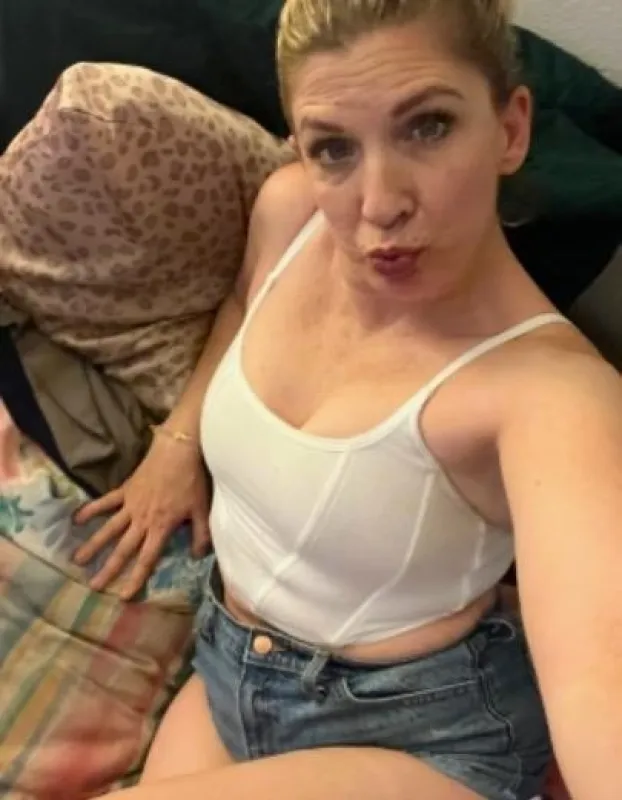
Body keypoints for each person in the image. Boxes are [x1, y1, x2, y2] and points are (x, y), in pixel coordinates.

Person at [74, 1, 622, 797]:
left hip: (421, 737)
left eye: (428, 127)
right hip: (228, 670)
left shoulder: (555, 395)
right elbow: (242, 306)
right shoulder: (293, 210)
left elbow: (600, 686)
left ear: (510, 129)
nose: (379, 203)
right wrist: (178, 442)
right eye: (334, 147)